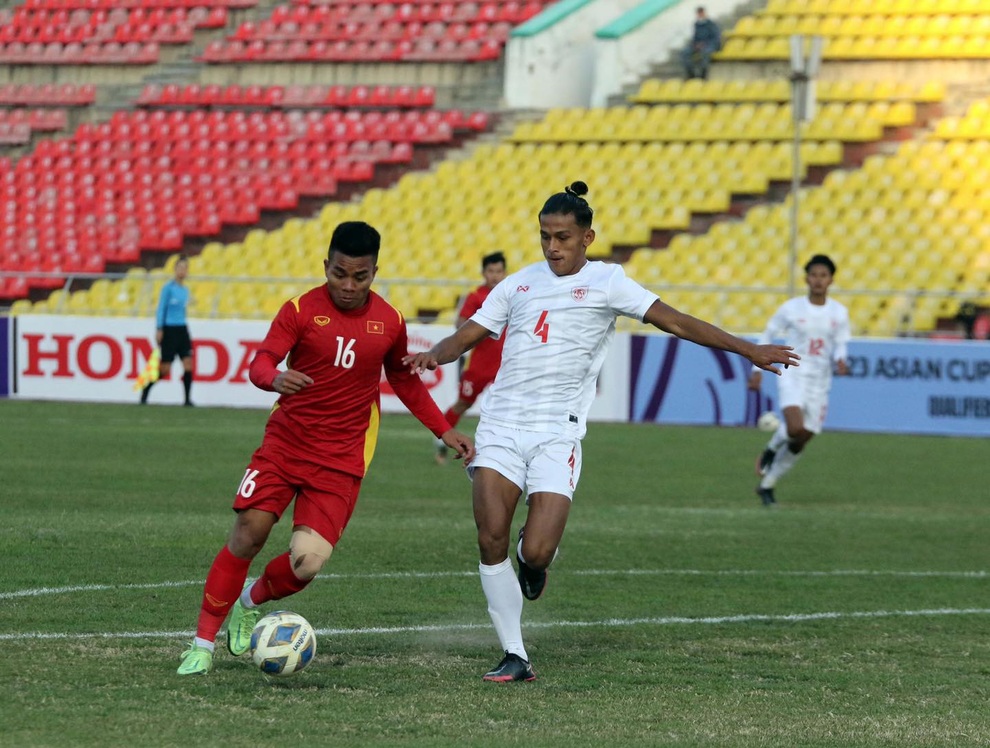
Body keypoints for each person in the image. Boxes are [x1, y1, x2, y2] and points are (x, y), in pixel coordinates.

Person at [404, 182, 798, 682]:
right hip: (501, 424)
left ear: (587, 237)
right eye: (545, 236)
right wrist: (433, 355)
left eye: (563, 237)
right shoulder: (518, 284)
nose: (552, 247)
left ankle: (533, 562)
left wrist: (749, 349)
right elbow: (469, 334)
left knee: (538, 551)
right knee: (489, 537)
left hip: (557, 433)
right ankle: (515, 653)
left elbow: (673, 321)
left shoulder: (609, 282)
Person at [176, 221, 475, 676]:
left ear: (375, 272)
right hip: (285, 446)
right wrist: (273, 377)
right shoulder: (299, 310)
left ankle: (247, 601)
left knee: (307, 563)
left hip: (340, 460)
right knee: (248, 531)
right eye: (339, 274)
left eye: (361, 276)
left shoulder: (390, 322)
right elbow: (261, 362)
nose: (349, 286)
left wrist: (443, 429)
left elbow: (403, 381)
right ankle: (201, 645)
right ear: (326, 266)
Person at [748, 254, 850, 507]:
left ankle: (767, 485)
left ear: (831, 280)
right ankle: (771, 448)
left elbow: (840, 344)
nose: (818, 280)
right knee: (794, 428)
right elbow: (769, 333)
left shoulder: (839, 312)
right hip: (792, 371)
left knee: (803, 437)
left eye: (823, 276)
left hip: (820, 381)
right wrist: (757, 370)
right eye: (814, 275)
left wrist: (840, 359)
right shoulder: (792, 308)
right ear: (807, 278)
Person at [434, 251, 507, 465]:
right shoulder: (476, 297)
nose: (495, 275)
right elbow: (460, 324)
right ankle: (441, 442)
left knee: (504, 409)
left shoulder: (510, 294)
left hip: (504, 367)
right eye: (491, 271)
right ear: (484, 273)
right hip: (479, 366)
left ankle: (500, 453)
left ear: (505, 272)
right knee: (463, 404)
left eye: (499, 271)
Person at [141, 254, 194, 406]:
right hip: (169, 329)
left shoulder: (185, 290)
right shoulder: (168, 289)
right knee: (165, 369)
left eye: (185, 268)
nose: (182, 271)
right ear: (175, 269)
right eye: (180, 267)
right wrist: (159, 328)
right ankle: (146, 389)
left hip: (182, 329)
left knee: (188, 364)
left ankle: (187, 400)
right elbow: (161, 308)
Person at [681, 6, 721, 80]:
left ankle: (703, 75)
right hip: (697, 45)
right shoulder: (697, 24)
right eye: (698, 13)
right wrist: (695, 44)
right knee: (685, 52)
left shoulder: (711, 24)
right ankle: (691, 74)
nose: (700, 15)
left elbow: (715, 38)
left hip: (709, 45)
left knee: (705, 53)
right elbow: (695, 37)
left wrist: (705, 44)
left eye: (701, 13)